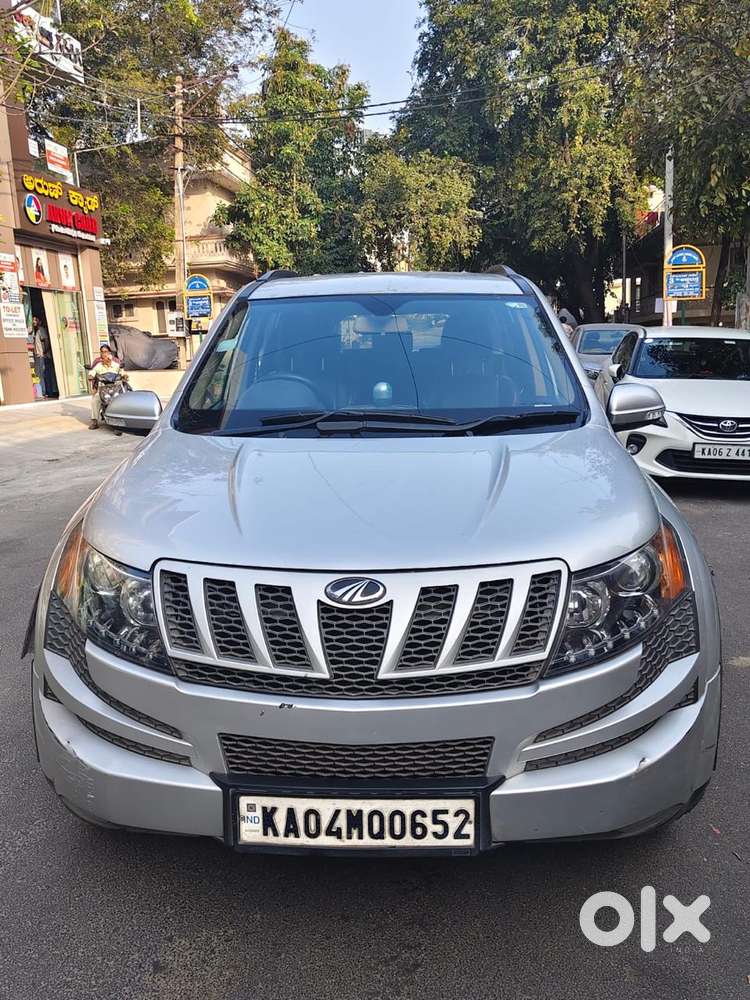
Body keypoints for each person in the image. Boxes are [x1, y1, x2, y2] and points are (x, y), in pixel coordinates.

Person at [88, 343, 128, 429]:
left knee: (124, 398)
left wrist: (125, 376)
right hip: (103, 389)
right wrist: (91, 376)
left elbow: (122, 371)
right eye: (102, 352)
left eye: (106, 352)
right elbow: (92, 371)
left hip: (115, 388)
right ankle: (94, 421)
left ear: (110, 353)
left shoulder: (116, 364)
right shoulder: (98, 365)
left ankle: (125, 417)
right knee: (95, 400)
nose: (104, 354)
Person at [32, 315, 53, 398]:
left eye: (35, 320)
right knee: (41, 375)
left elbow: (46, 341)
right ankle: (45, 392)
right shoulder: (37, 331)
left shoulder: (41, 330)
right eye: (33, 320)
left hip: (43, 356)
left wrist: (44, 352)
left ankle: (47, 392)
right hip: (40, 356)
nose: (34, 322)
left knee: (44, 375)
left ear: (39, 322)